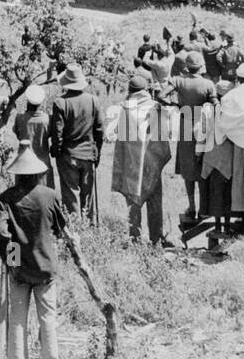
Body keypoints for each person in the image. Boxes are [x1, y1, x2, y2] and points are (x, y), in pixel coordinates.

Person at [0, 140, 70, 359]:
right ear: (38, 173)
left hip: (20, 270)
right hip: (46, 267)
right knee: (48, 320)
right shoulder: (51, 196)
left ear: (17, 174)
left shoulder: (6, 198)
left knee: (17, 321)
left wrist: (13, 263)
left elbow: (4, 234)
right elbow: (60, 229)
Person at [111, 74, 172, 246]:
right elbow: (164, 134)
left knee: (133, 201)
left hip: (132, 163)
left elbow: (119, 136)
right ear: (145, 90)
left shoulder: (126, 109)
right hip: (152, 162)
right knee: (154, 200)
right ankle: (157, 238)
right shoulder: (156, 107)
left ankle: (135, 238)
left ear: (130, 91)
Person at [158, 51, 216, 223]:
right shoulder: (208, 84)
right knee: (203, 168)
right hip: (203, 127)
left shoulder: (178, 80)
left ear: (187, 67)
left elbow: (161, 95)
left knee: (187, 169)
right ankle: (204, 209)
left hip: (185, 126)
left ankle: (191, 207)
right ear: (201, 66)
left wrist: (176, 104)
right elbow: (215, 104)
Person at [49, 64, 103, 222]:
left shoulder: (60, 103)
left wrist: (56, 152)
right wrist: (97, 153)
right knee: (88, 196)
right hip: (88, 155)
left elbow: (57, 133)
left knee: (71, 195)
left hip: (68, 155)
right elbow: (99, 130)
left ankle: (76, 229)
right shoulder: (94, 101)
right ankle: (90, 226)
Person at [13, 85, 53, 188]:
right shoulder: (47, 119)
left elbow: (19, 135)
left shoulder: (20, 118)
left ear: (28, 101)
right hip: (42, 161)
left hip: (23, 162)